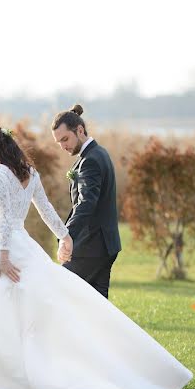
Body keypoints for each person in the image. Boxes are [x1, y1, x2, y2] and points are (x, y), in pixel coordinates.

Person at [0, 123, 191, 389]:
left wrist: (5, 256)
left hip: (1, 247)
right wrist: (64, 236)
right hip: (25, 245)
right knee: (11, 314)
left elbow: (5, 220)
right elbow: (45, 208)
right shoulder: (29, 173)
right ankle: (8, 375)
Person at [52, 104, 121, 299]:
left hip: (91, 246)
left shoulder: (90, 160)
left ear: (79, 130)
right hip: (105, 245)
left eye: (65, 139)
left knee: (61, 294)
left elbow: (85, 203)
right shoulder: (99, 153)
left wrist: (67, 237)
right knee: (98, 307)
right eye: (59, 142)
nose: (63, 146)